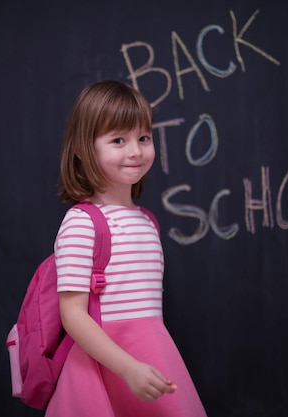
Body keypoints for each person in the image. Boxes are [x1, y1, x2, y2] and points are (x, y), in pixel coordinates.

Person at [45, 80, 207, 417]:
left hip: (152, 359)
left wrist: (140, 366)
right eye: (118, 140)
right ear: (81, 149)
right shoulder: (82, 222)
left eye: (143, 138)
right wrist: (128, 368)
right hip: (106, 368)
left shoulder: (147, 222)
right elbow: (73, 315)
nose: (135, 151)